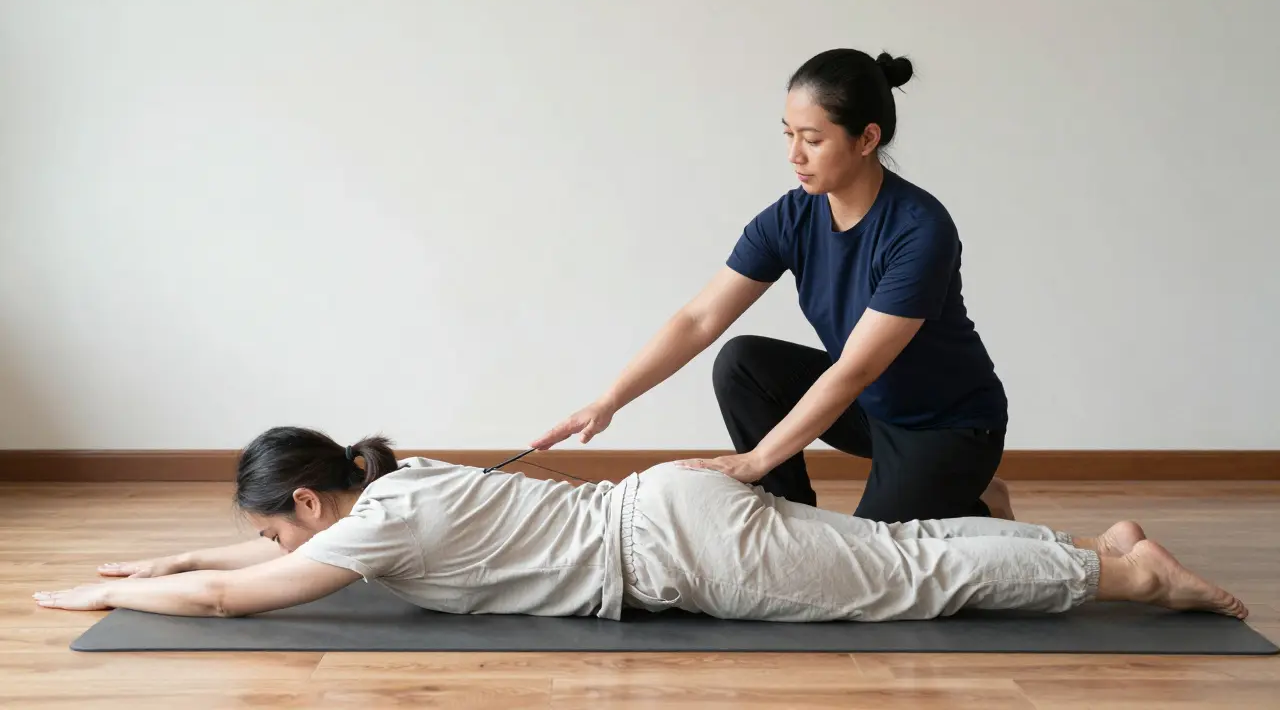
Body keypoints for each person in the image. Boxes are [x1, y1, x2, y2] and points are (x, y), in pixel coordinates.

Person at [34, 427, 1247, 623]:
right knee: (901, 554)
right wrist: (155, 556)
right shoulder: (388, 486)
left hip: (681, 550)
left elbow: (230, 600)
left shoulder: (368, 536)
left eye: (276, 528)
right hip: (664, 505)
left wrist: (97, 598)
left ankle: (1129, 580)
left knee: (903, 577)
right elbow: (236, 564)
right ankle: (1102, 553)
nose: (279, 548)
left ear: (309, 505)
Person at [533, 48, 1015, 523]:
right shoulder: (793, 215)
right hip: (872, 412)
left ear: (867, 138)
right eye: (788, 135)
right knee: (743, 362)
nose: (794, 155)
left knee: (873, 572)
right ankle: (792, 523)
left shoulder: (919, 229)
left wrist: (755, 461)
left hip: (948, 427)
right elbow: (700, 319)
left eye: (812, 139)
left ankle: (975, 497)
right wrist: (609, 400)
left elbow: (854, 370)